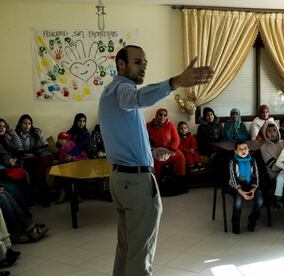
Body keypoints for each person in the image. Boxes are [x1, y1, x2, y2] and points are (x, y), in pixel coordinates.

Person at [98, 45, 213, 276]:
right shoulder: (122, 89)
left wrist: (150, 152)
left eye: (145, 63)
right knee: (140, 256)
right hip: (135, 182)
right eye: (138, 62)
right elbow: (137, 98)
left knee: (127, 248)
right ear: (121, 64)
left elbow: (127, 138)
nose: (143, 67)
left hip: (122, 178)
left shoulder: (111, 92)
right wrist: (176, 82)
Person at [15, 114, 51, 207]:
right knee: (29, 166)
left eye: (29, 123)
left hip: (39, 157)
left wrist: (33, 154)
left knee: (42, 162)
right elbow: (17, 153)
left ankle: (42, 196)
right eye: (24, 123)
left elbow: (46, 147)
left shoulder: (36, 132)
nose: (27, 126)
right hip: (26, 160)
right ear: (20, 124)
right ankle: (35, 197)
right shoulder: (16, 135)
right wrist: (28, 155)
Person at [228, 140, 263, 234]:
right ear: (235, 151)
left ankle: (253, 220)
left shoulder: (252, 160)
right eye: (240, 149)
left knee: (259, 201)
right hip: (237, 185)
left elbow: (256, 176)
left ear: (248, 149)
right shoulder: (233, 161)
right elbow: (233, 178)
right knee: (238, 202)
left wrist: (254, 189)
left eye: (245, 148)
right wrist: (241, 191)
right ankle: (235, 222)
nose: (243, 150)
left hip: (250, 184)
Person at [146, 108, 186, 180]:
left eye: (165, 115)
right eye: (160, 114)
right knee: (155, 161)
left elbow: (176, 139)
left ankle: (180, 181)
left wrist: (170, 150)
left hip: (169, 149)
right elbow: (145, 140)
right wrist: (153, 149)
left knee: (180, 156)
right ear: (156, 115)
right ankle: (157, 183)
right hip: (156, 150)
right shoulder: (148, 126)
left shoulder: (170, 125)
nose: (162, 117)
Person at [55, 132, 87, 204]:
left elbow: (81, 157)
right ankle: (63, 193)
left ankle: (76, 193)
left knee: (73, 174)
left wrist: (72, 158)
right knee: (58, 172)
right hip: (66, 166)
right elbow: (61, 159)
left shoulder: (73, 145)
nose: (66, 141)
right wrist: (60, 160)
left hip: (77, 164)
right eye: (63, 140)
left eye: (67, 140)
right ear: (59, 141)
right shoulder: (61, 147)